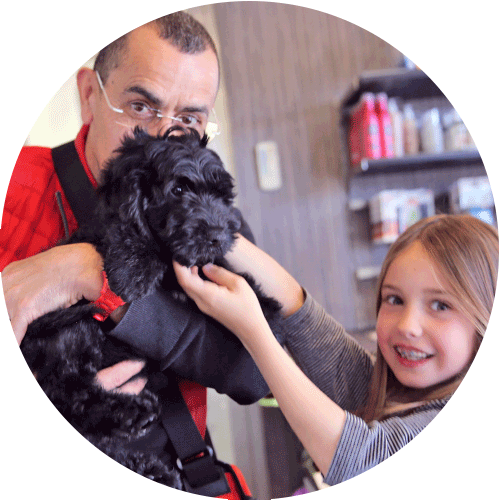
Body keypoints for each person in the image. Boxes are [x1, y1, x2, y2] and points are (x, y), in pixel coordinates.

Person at [1, 12, 269, 498]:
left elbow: (256, 374)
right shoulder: (15, 189)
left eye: (188, 120)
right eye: (142, 106)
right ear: (88, 95)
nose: (161, 137)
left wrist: (95, 277)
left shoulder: (206, 214)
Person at [174, 214, 498, 485]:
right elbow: (299, 312)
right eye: (394, 299)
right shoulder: (395, 392)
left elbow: (360, 460)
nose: (407, 325)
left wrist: (254, 331)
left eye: (440, 305)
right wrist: (214, 229)